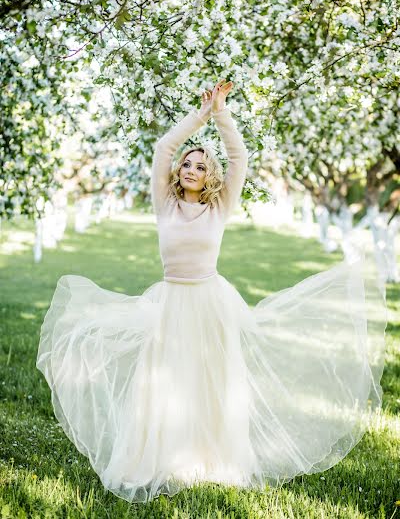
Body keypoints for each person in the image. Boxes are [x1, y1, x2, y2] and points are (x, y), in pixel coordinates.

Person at [36, 78, 388, 504]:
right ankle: (159, 458)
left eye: (201, 166)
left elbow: (238, 157)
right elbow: (164, 146)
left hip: (210, 301)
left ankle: (210, 459)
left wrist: (221, 113)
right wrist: (200, 115)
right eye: (188, 163)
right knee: (164, 383)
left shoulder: (218, 208)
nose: (191, 169)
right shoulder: (165, 203)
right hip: (169, 303)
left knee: (211, 382)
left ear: (210, 177)